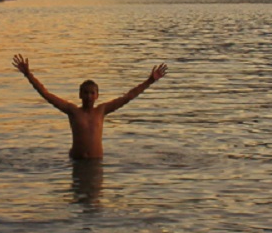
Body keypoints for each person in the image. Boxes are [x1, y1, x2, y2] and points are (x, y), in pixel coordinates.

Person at [12, 54, 167, 160]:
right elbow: (46, 94)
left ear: (97, 95)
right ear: (80, 95)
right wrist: (28, 74)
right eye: (85, 93)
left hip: (96, 163)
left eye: (92, 93)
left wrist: (150, 81)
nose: (89, 96)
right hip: (76, 162)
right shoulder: (72, 111)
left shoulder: (102, 110)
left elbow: (129, 96)